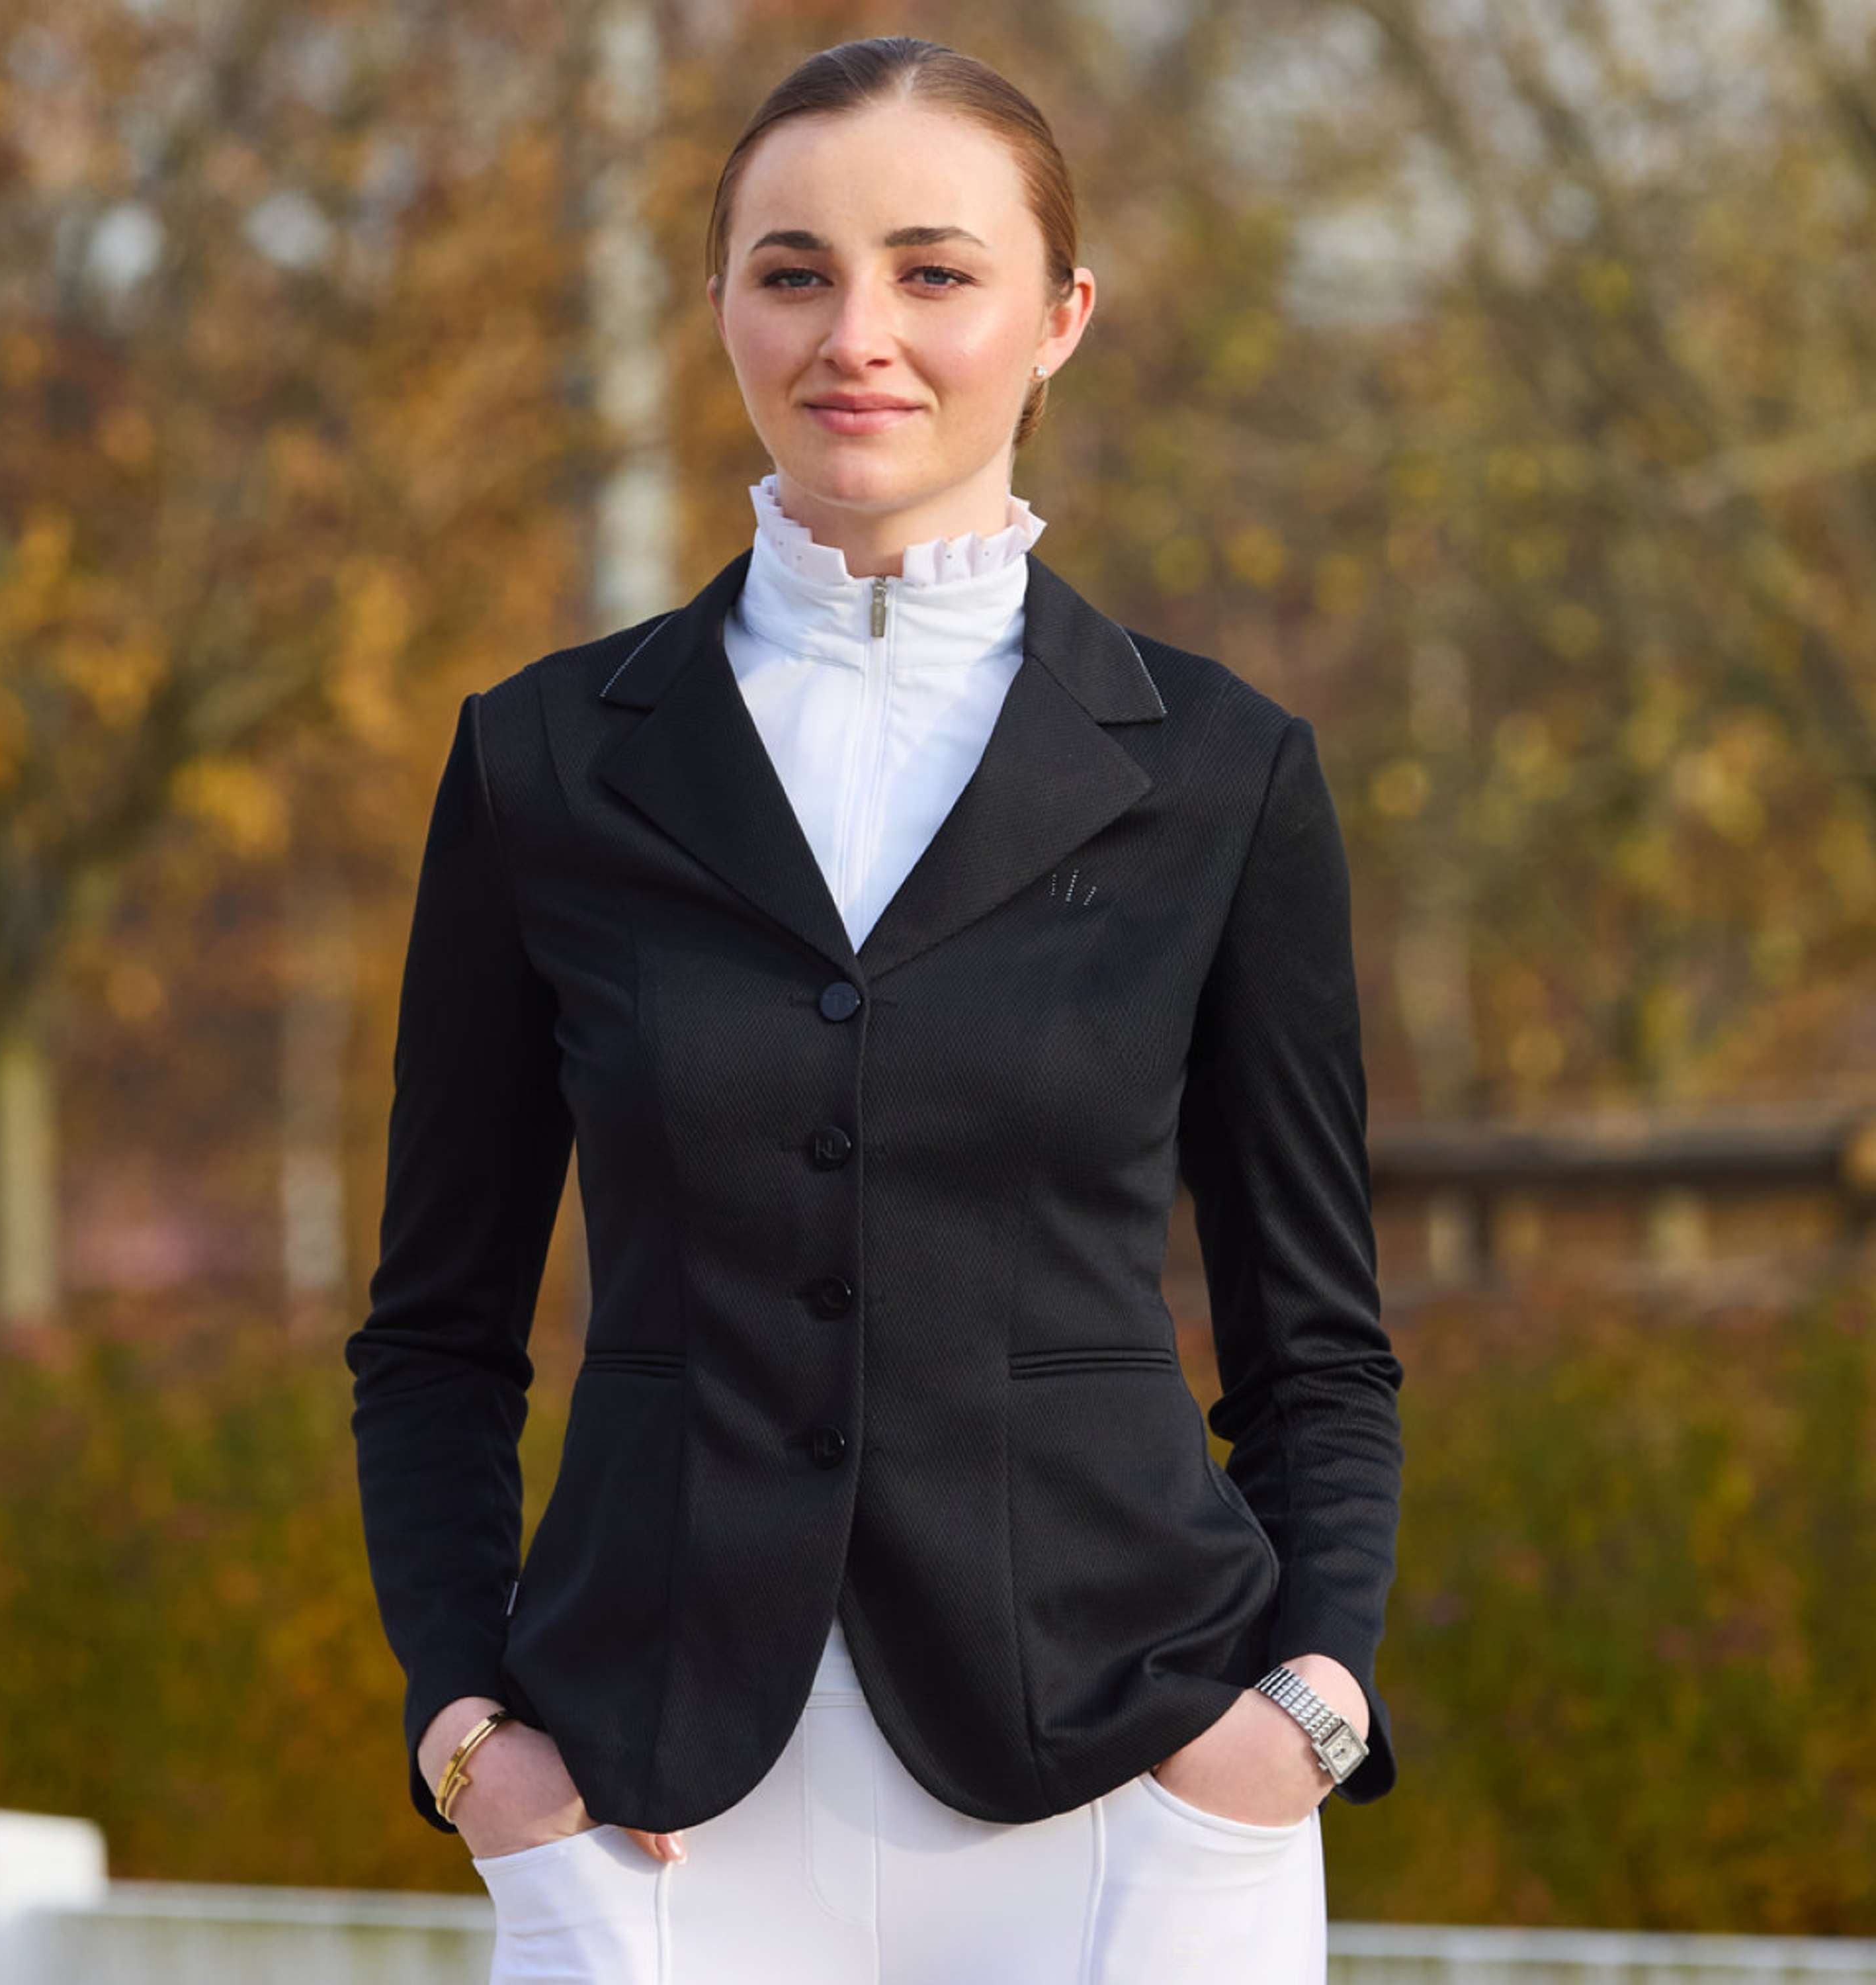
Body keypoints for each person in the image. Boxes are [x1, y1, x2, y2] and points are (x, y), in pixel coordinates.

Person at [344, 33, 1404, 1985]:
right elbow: (435, 1335)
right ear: (722, 306)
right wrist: (469, 1736)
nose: (859, 336)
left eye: (934, 272)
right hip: (647, 1819)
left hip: (1136, 1805)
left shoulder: (1221, 776)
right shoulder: (543, 763)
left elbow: (1315, 1341)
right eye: (795, 271)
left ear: (1060, 316)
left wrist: (1307, 1718)